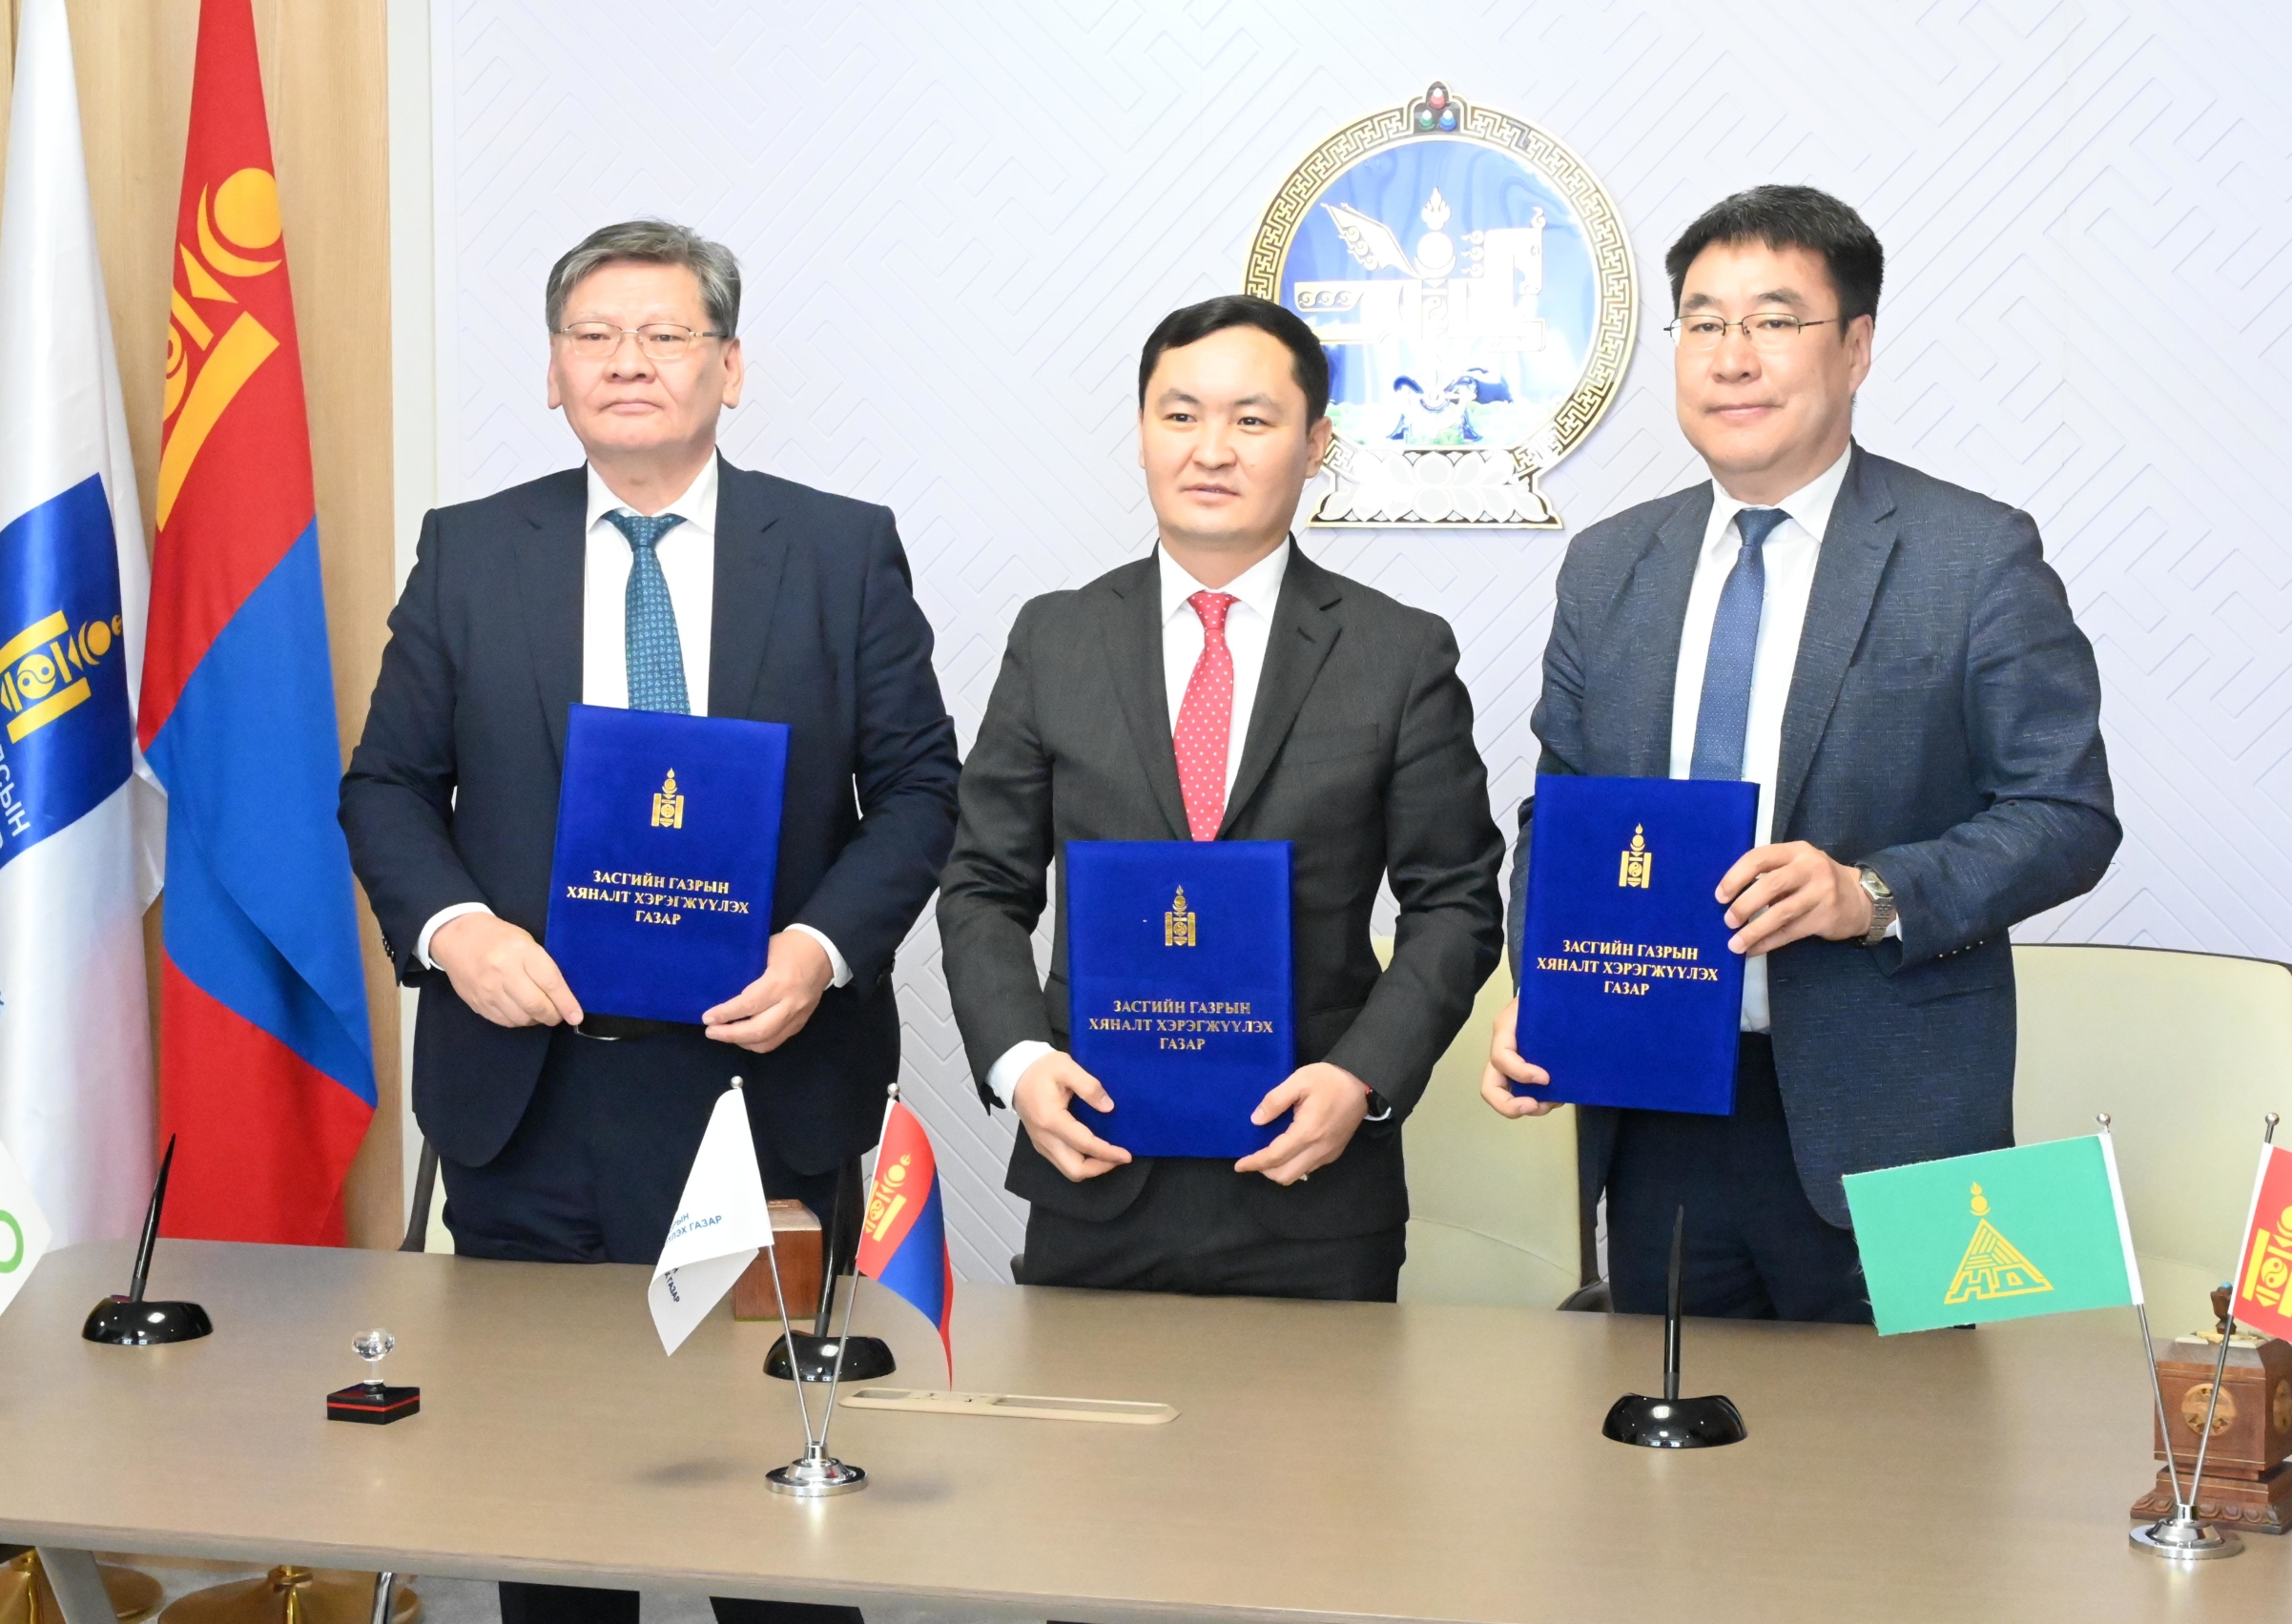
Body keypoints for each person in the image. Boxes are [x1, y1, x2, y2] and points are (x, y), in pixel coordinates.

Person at [341, 220, 959, 1624]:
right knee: (557, 1514)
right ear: (552, 370)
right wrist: (455, 930)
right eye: (595, 336)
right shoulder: (470, 549)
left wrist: (818, 949)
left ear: (728, 367)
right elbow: (386, 785)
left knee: (782, 1523)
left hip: (764, 1091)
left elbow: (924, 787)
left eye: (667, 335)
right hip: (532, 1092)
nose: (629, 361)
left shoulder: (840, 548)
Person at [1481, 185, 2118, 1323]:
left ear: (1856, 346)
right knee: (1664, 1425)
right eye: (1703, 321)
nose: (1732, 357)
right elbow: (1562, 815)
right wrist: (1549, 993)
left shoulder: (1973, 555)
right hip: (1658, 1112)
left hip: (1906, 1119)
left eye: (1774, 321)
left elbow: (2066, 814)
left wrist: (1867, 892)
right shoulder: (1610, 564)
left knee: (1921, 1431)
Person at [938, 294, 1504, 1302]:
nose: (1211, 449)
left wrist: (1362, 1078)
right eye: (1180, 414)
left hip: (1313, 1178)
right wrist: (1019, 1061)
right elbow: (983, 881)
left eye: (1251, 418)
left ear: (1315, 443)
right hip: (1094, 1163)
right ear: (1142, 432)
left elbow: (1455, 901)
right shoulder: (1056, 638)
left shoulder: (1397, 652)